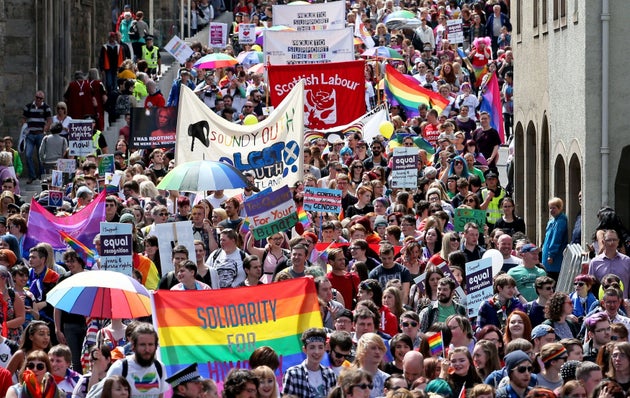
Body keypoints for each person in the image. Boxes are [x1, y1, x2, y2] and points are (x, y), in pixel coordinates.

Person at [106, 323, 168, 397]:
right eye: (142, 345)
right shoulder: (119, 368)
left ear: (156, 346)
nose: (147, 349)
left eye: (150, 344)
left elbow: (160, 396)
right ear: (133, 346)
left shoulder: (160, 367)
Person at [282, 328, 336, 397]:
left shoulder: (330, 374)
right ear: (305, 349)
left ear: (325, 348)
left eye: (320, 347)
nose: (317, 352)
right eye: (312, 347)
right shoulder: (293, 374)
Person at [589, 229, 630, 299]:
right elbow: (590, 286)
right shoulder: (594, 262)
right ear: (603, 242)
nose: (612, 243)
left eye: (614, 240)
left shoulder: (627, 261)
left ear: (618, 242)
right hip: (602, 304)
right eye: (609, 240)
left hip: (623, 304)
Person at [23, 91, 53, 184]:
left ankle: (41, 175)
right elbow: (24, 118)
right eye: (37, 98)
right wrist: (25, 126)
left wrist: (46, 128)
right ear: (35, 97)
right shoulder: (28, 106)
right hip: (30, 134)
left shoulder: (46, 108)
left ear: (43, 99)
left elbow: (49, 120)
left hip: (40, 134)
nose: (39, 100)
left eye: (41, 98)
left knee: (41, 156)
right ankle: (32, 176)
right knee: (28, 155)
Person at [541, 197, 568, 281]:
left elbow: (556, 239)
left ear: (560, 208)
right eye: (550, 208)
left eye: (554, 208)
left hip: (554, 260)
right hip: (547, 257)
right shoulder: (552, 221)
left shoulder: (560, 221)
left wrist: (551, 255)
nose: (551, 210)